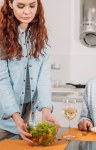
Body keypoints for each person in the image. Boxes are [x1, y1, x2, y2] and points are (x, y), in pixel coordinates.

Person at [0, 0, 60, 143]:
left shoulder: (44, 36)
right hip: (4, 113)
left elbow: (43, 76)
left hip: (25, 111)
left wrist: (46, 109)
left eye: (32, 5)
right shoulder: (1, 37)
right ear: (10, 4)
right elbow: (2, 80)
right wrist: (15, 116)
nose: (27, 12)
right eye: (20, 6)